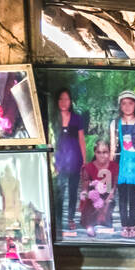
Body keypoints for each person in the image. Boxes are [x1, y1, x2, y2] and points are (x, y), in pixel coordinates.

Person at [110, 90, 135, 239]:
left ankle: (131, 225)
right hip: (121, 162)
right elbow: (113, 147)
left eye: (130, 103)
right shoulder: (114, 123)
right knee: (122, 196)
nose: (127, 106)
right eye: (124, 103)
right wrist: (111, 168)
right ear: (120, 105)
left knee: (133, 196)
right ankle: (123, 225)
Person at [51, 89, 86, 234]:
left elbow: (82, 140)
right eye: (61, 99)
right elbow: (50, 140)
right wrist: (51, 161)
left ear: (70, 101)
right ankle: (58, 220)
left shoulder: (77, 118)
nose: (64, 102)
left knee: (72, 191)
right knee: (59, 191)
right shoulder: (53, 119)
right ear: (57, 101)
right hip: (59, 161)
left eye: (66, 99)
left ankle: (70, 218)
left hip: (75, 160)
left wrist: (84, 161)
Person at [78, 138, 117, 237]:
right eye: (99, 152)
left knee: (109, 203)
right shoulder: (88, 167)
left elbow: (113, 188)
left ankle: (103, 220)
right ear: (95, 153)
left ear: (109, 152)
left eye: (105, 152)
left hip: (107, 196)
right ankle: (89, 226)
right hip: (93, 198)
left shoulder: (114, 166)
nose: (102, 155)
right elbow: (85, 188)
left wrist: (106, 200)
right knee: (89, 200)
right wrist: (86, 194)